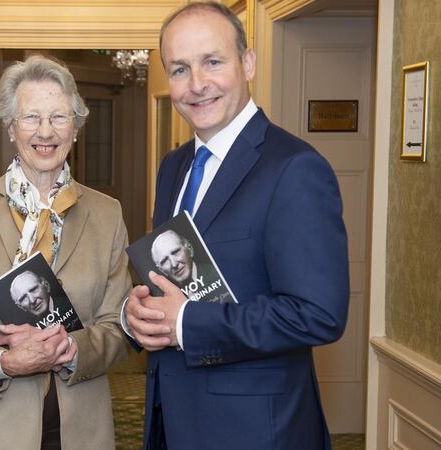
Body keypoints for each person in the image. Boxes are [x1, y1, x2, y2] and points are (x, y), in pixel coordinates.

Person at [124, 2, 350, 449]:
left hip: (256, 432)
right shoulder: (173, 166)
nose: (196, 84)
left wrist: (186, 322)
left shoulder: (294, 168)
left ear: (247, 64)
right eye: (180, 69)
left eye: (212, 62)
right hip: (173, 421)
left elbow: (317, 315)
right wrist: (141, 315)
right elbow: (179, 283)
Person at [0, 55, 130, 450]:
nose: (45, 131)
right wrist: (3, 362)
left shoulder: (108, 214)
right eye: (31, 117)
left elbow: (118, 326)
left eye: (59, 117)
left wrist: (70, 350)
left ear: (75, 127)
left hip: (83, 430)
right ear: (11, 127)